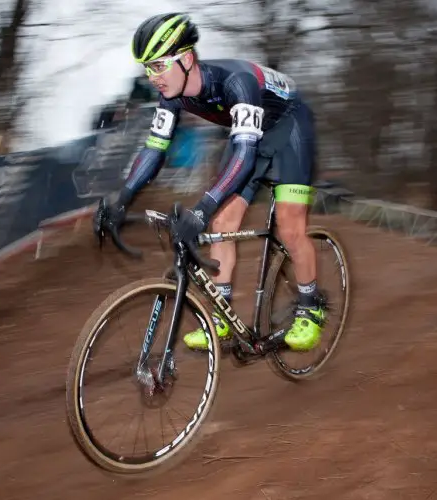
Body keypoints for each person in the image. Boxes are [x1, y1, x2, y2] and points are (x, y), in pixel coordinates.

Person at [94, 12, 324, 352]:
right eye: (147, 67)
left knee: (289, 228)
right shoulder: (171, 95)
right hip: (250, 136)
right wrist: (122, 197)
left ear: (186, 59)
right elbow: (155, 148)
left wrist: (199, 210)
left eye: (158, 65)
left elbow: (245, 158)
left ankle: (312, 306)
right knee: (222, 223)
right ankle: (222, 318)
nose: (152, 76)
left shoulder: (236, 81)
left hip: (289, 129)